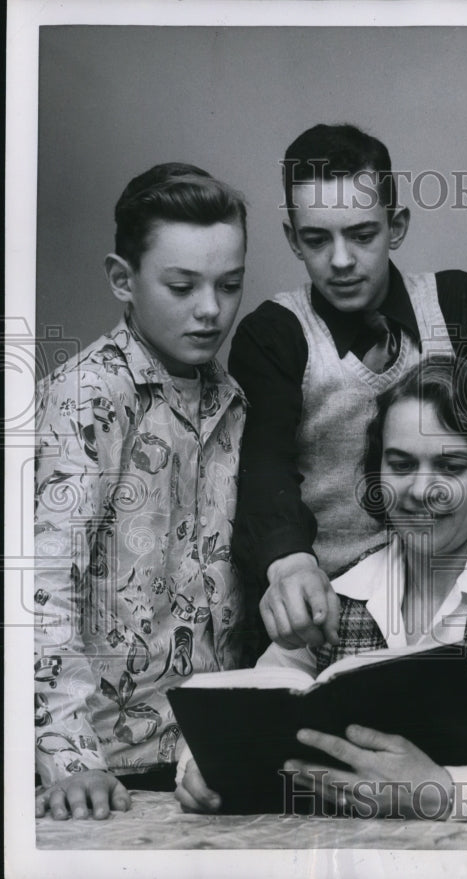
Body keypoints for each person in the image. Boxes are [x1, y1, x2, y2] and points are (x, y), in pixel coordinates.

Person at [176, 356, 467, 818]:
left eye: (451, 467)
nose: (421, 490)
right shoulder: (338, 594)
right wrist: (201, 768)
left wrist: (448, 788)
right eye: (400, 464)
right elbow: (241, 712)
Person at [229, 124, 467, 658]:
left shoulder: (454, 301)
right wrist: (288, 561)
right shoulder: (275, 333)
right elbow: (264, 467)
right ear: (292, 239)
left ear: (396, 225)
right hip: (328, 611)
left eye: (361, 235)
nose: (340, 260)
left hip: (452, 596)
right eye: (316, 239)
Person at [34, 164, 249, 820]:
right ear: (122, 279)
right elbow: (37, 586)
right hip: (99, 771)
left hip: (200, 758)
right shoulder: (87, 396)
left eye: (230, 283)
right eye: (182, 285)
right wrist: (70, 758)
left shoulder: (233, 400)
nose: (211, 308)